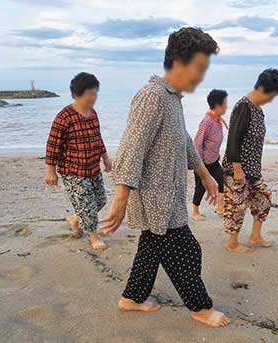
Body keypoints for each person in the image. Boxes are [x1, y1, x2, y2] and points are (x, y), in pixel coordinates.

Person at [99, 28, 229, 328]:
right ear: (179, 63)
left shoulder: (172, 99)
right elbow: (132, 147)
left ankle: (131, 298)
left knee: (150, 249)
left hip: (168, 194)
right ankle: (200, 308)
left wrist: (205, 174)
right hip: (156, 198)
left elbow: (183, 140)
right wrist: (120, 199)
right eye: (199, 68)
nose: (200, 77)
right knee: (185, 253)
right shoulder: (151, 97)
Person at [221, 68, 278, 253]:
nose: (272, 99)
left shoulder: (258, 110)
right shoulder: (244, 106)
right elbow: (234, 138)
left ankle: (255, 236)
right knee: (236, 205)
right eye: (273, 95)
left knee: (264, 198)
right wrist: (237, 168)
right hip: (237, 168)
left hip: (253, 169)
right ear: (263, 89)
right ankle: (232, 244)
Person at [44, 72, 111, 250]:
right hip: (72, 170)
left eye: (95, 92)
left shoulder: (93, 113)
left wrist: (106, 158)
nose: (93, 97)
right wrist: (50, 171)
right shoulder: (64, 116)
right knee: (86, 203)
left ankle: (75, 219)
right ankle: (93, 236)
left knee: (101, 199)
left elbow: (98, 137)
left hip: (93, 168)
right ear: (76, 94)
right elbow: (52, 145)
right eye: (89, 93)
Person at [191, 89, 228, 221]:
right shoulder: (207, 121)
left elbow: (214, 141)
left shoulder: (218, 120)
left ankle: (220, 207)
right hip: (201, 163)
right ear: (217, 105)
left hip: (213, 161)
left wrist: (217, 154)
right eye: (225, 103)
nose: (226, 106)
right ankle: (195, 211)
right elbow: (197, 143)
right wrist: (199, 164)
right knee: (200, 187)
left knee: (222, 180)